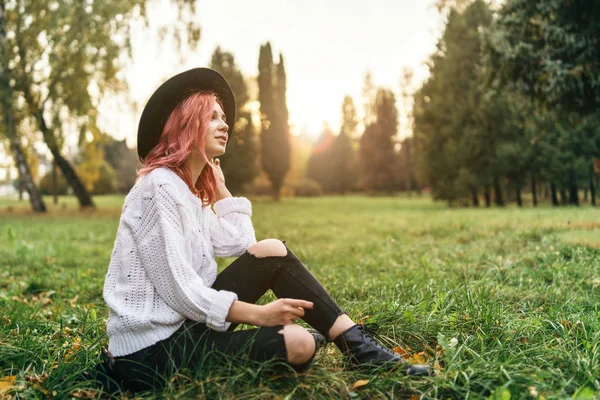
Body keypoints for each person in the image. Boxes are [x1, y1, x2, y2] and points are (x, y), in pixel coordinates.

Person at [96, 68, 431, 393]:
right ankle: (320, 342)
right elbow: (182, 294)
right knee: (300, 343)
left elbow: (243, 243)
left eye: (223, 117)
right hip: (148, 355)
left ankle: (359, 348)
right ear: (185, 125)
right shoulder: (159, 187)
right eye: (211, 116)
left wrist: (222, 190)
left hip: (183, 327)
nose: (224, 124)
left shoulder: (186, 190)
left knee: (272, 250)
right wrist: (260, 315)